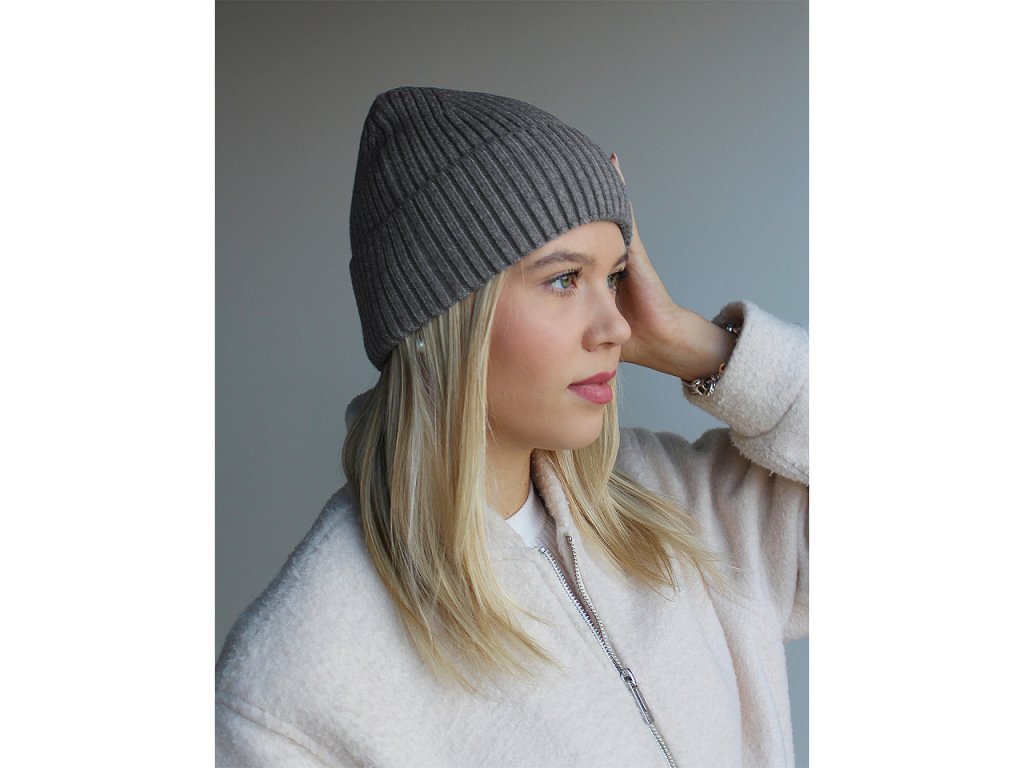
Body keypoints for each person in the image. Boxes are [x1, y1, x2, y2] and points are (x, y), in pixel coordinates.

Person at [215, 86, 808, 768]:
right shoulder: (294, 691)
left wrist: (693, 342)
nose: (616, 326)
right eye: (563, 280)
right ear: (443, 320)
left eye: (615, 278)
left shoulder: (682, 508)